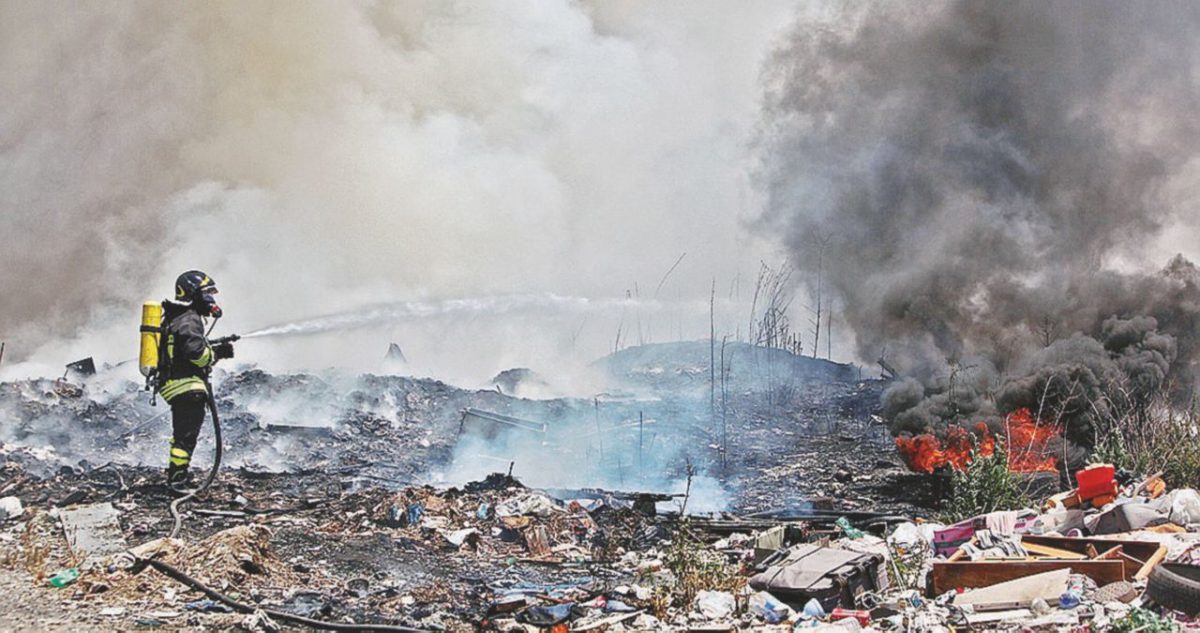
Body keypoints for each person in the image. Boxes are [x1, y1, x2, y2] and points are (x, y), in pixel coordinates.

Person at [158, 270, 234, 493]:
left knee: (183, 436)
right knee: (186, 438)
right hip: (186, 386)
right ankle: (177, 481)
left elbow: (184, 347)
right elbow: (195, 353)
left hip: (178, 384)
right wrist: (217, 353)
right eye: (207, 293)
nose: (211, 299)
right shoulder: (190, 319)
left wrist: (214, 347)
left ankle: (178, 475)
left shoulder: (178, 316)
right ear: (194, 294)